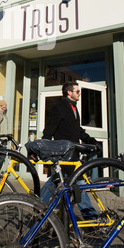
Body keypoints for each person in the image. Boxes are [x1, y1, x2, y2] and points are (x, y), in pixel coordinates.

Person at [40, 82, 100, 219]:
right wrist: (44, 149)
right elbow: (49, 131)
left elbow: (77, 130)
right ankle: (90, 217)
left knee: (64, 182)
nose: (79, 93)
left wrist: (91, 141)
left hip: (72, 154)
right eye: (77, 91)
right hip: (62, 154)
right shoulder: (59, 108)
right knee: (71, 182)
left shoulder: (73, 108)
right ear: (69, 92)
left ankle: (41, 212)